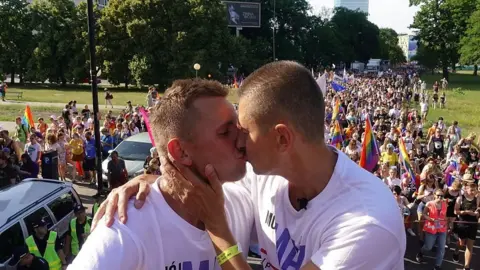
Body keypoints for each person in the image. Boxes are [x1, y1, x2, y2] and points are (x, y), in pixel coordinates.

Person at [94, 62, 406, 269]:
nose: (239, 142)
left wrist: (219, 230)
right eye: (227, 132)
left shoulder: (366, 223)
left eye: (243, 130)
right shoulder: (266, 179)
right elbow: (186, 181)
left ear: (282, 139)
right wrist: (151, 180)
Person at [67, 79, 255, 270]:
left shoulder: (243, 201)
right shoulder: (125, 228)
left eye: (239, 128)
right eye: (225, 133)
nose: (242, 141)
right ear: (181, 152)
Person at [415, 189, 448, 270]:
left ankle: (437, 266)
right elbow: (424, 214)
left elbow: (445, 216)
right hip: (431, 227)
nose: (440, 197)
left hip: (442, 228)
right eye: (438, 195)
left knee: (441, 248)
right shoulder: (429, 203)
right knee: (428, 247)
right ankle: (421, 252)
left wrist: (447, 224)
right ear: (434, 195)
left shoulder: (445, 204)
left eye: (441, 196)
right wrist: (430, 219)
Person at [452, 180, 479, 270]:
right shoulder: (460, 198)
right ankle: (456, 251)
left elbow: (478, 208)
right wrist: (465, 212)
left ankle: (466, 266)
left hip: (473, 223)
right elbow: (455, 211)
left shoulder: (477, 198)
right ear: (466, 189)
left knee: (470, 245)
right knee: (461, 243)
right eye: (471, 190)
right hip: (463, 223)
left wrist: (477, 213)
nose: (473, 192)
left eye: (474, 190)